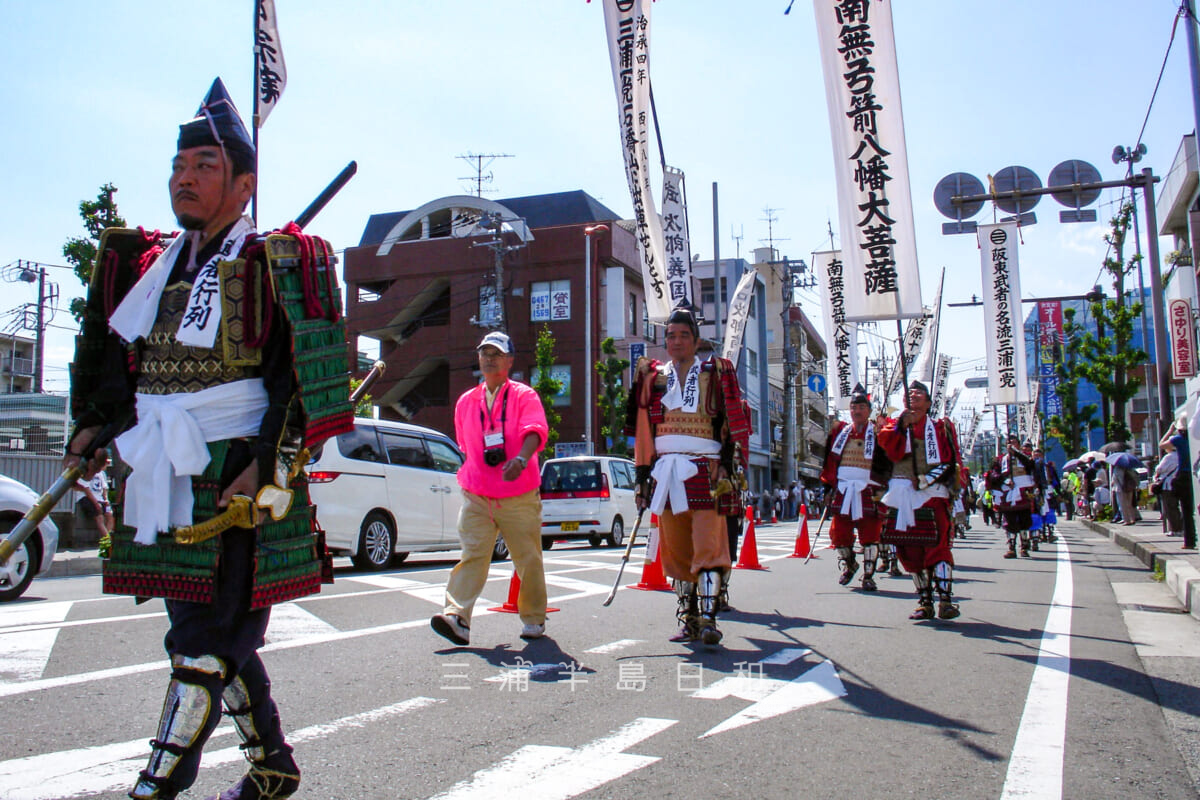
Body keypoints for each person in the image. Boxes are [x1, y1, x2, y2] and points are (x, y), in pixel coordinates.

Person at [64, 79, 351, 800]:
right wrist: (93, 430)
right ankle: (274, 767)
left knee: (205, 642)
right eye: (179, 165)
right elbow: (125, 367)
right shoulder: (148, 264)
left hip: (232, 472)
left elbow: (302, 384)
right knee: (213, 633)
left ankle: (155, 786)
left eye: (204, 166)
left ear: (244, 184)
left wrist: (265, 467)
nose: (183, 179)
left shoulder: (275, 260)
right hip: (163, 471)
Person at [628, 304, 751, 645]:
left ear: (696, 341)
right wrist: (642, 476)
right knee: (678, 550)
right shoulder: (653, 378)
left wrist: (730, 462)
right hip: (666, 473)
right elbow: (643, 430)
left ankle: (710, 616)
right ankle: (690, 617)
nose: (677, 341)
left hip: (707, 469)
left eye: (684, 335)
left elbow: (733, 423)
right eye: (671, 336)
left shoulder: (718, 373)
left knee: (708, 545)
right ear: (664, 341)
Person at [431, 331, 550, 646]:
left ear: (510, 361)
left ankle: (534, 618)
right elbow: (465, 443)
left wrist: (521, 459)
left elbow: (535, 431)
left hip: (518, 493)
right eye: (484, 352)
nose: (489, 358)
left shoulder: (525, 396)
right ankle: (457, 617)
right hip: (477, 493)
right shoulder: (466, 402)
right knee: (472, 555)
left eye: (496, 353)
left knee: (528, 559)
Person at [877, 381, 964, 620]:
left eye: (919, 393)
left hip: (932, 492)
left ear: (928, 402)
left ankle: (945, 599)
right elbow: (887, 448)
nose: (913, 395)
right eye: (909, 393)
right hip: (901, 492)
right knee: (909, 548)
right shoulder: (895, 425)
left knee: (937, 545)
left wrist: (926, 480)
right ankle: (924, 600)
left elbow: (952, 461)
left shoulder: (940, 427)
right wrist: (901, 426)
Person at [818, 384, 890, 591]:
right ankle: (850, 564)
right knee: (839, 534)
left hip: (869, 488)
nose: (857, 411)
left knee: (870, 535)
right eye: (853, 407)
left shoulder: (878, 432)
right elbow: (829, 462)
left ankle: (868, 576)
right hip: (843, 489)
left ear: (868, 410)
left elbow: (887, 462)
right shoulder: (840, 432)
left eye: (861, 407)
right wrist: (827, 488)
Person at [987, 435, 1038, 558]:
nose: (1011, 445)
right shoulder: (1001, 460)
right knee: (1009, 520)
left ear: (1018, 444)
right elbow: (994, 475)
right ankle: (1011, 547)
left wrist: (1016, 453)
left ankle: (1024, 546)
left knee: (1024, 520)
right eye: (1009, 443)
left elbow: (1031, 466)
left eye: (1014, 443)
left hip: (1024, 491)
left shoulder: (1025, 457)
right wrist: (1004, 481)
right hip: (1008, 492)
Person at [1162, 421, 1196, 549]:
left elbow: (1162, 445)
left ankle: (1190, 541)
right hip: (1194, 473)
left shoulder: (1178, 439)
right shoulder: (1194, 437)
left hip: (1184, 475)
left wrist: (1170, 431)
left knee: (1186, 511)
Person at [75, 449, 115, 540]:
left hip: (100, 498)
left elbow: (105, 488)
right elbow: (86, 489)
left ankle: (106, 537)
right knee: (100, 518)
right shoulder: (86, 472)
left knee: (110, 516)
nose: (106, 465)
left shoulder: (102, 474)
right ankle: (107, 541)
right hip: (87, 498)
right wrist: (96, 504)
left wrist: (106, 499)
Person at [1153, 438, 1183, 538]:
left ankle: (1175, 529)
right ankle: (1181, 528)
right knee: (1179, 508)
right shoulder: (1181, 454)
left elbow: (1160, 469)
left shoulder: (1169, 457)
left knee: (1170, 508)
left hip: (1168, 485)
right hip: (1179, 483)